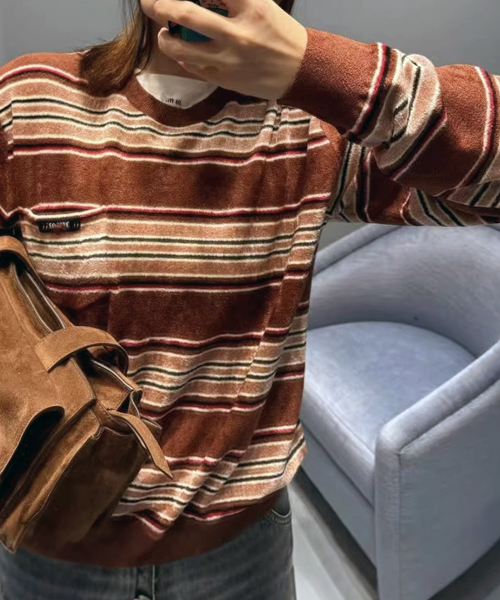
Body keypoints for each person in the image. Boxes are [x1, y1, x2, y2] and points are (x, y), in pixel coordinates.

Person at [0, 0, 499, 598]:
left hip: (238, 550)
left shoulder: (305, 129)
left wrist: (318, 68)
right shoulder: (29, 101)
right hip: (49, 533)